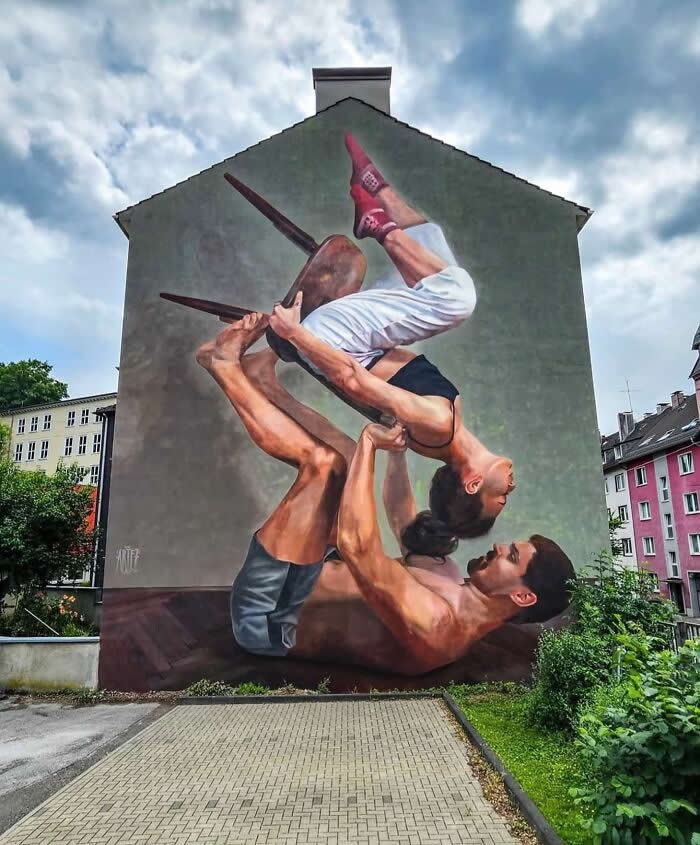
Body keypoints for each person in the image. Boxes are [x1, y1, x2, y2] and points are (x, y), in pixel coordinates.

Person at [195, 314, 572, 672]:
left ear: (523, 596)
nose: (499, 546)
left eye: (511, 556)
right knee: (346, 456)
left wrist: (372, 444)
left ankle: (223, 365)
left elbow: (357, 545)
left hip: (270, 612)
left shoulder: (440, 624)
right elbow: (398, 512)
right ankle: (266, 385)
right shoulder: (454, 581)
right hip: (309, 569)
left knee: (326, 466)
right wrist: (396, 454)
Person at [264, 133, 515, 542]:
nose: (511, 488)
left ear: (472, 482)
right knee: (437, 256)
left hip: (336, 339)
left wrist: (294, 335)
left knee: (458, 299)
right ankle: (376, 189)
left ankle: (381, 227)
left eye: (502, 497)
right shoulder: (437, 440)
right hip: (358, 340)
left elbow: (353, 381)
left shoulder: (438, 425)